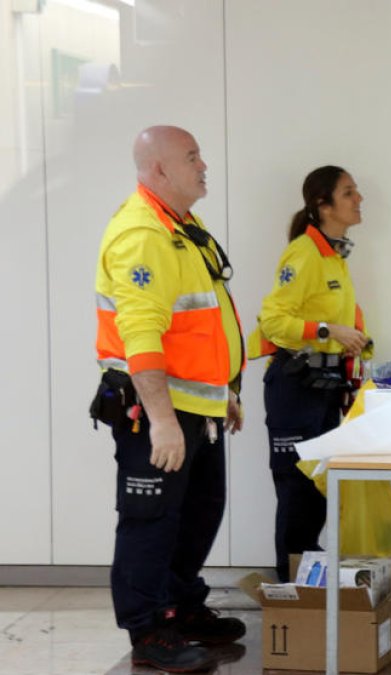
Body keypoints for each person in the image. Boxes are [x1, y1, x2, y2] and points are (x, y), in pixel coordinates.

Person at [93, 126, 246, 672]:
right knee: (151, 520)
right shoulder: (143, 236)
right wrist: (162, 421)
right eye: (191, 157)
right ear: (158, 170)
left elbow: (200, 322)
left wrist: (222, 391)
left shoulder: (180, 224)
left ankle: (180, 606)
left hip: (197, 406)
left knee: (199, 514)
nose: (204, 164)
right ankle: (148, 629)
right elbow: (141, 337)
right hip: (155, 411)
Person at [247, 166, 372, 583]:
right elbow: (274, 321)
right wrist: (327, 331)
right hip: (295, 388)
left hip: (323, 387)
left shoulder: (333, 256)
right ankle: (290, 587)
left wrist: (353, 348)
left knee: (318, 491)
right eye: (348, 192)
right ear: (323, 205)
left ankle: (307, 580)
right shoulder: (304, 253)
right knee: (298, 492)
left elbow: (342, 321)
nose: (358, 199)